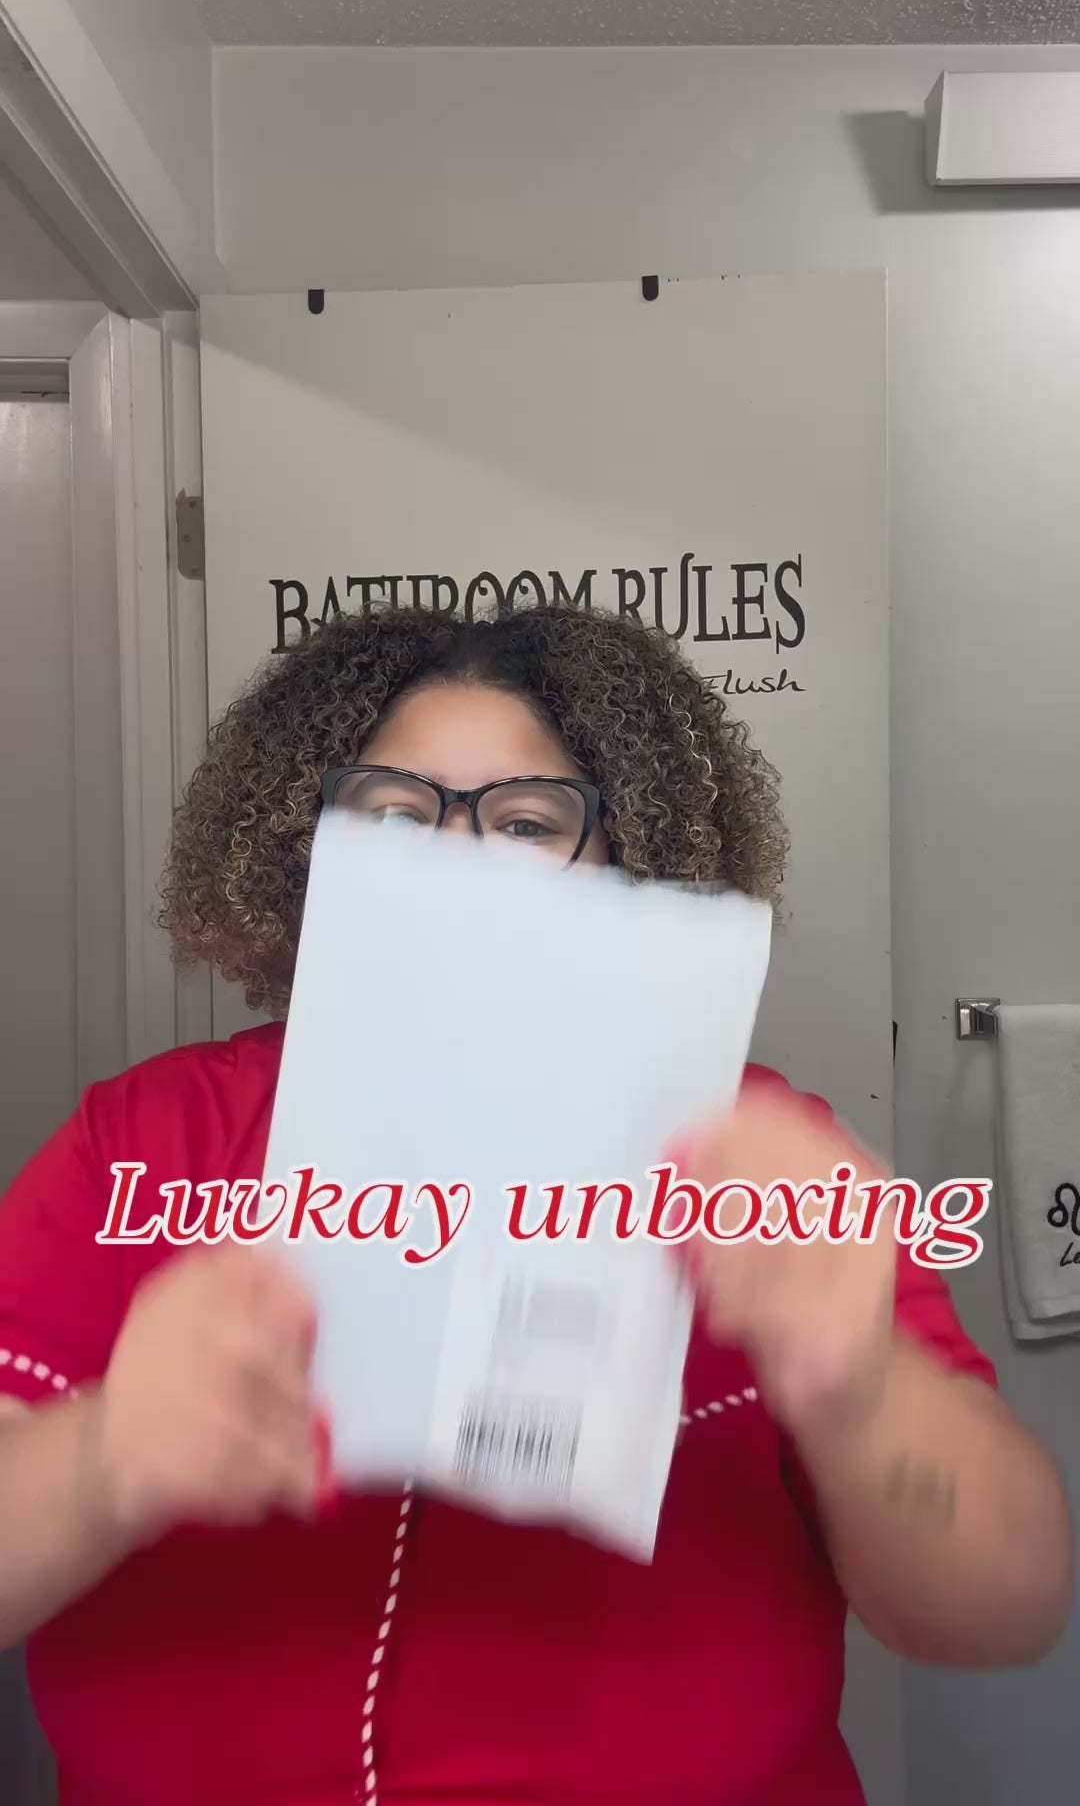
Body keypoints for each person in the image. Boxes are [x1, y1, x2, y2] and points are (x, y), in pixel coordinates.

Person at [0, 602, 1070, 1806]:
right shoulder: (142, 1145)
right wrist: (104, 1457)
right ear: (307, 854)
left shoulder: (758, 1163)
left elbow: (1008, 1606)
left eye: (524, 823)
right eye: (394, 816)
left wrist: (863, 1392)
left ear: (627, 864)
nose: (453, 866)